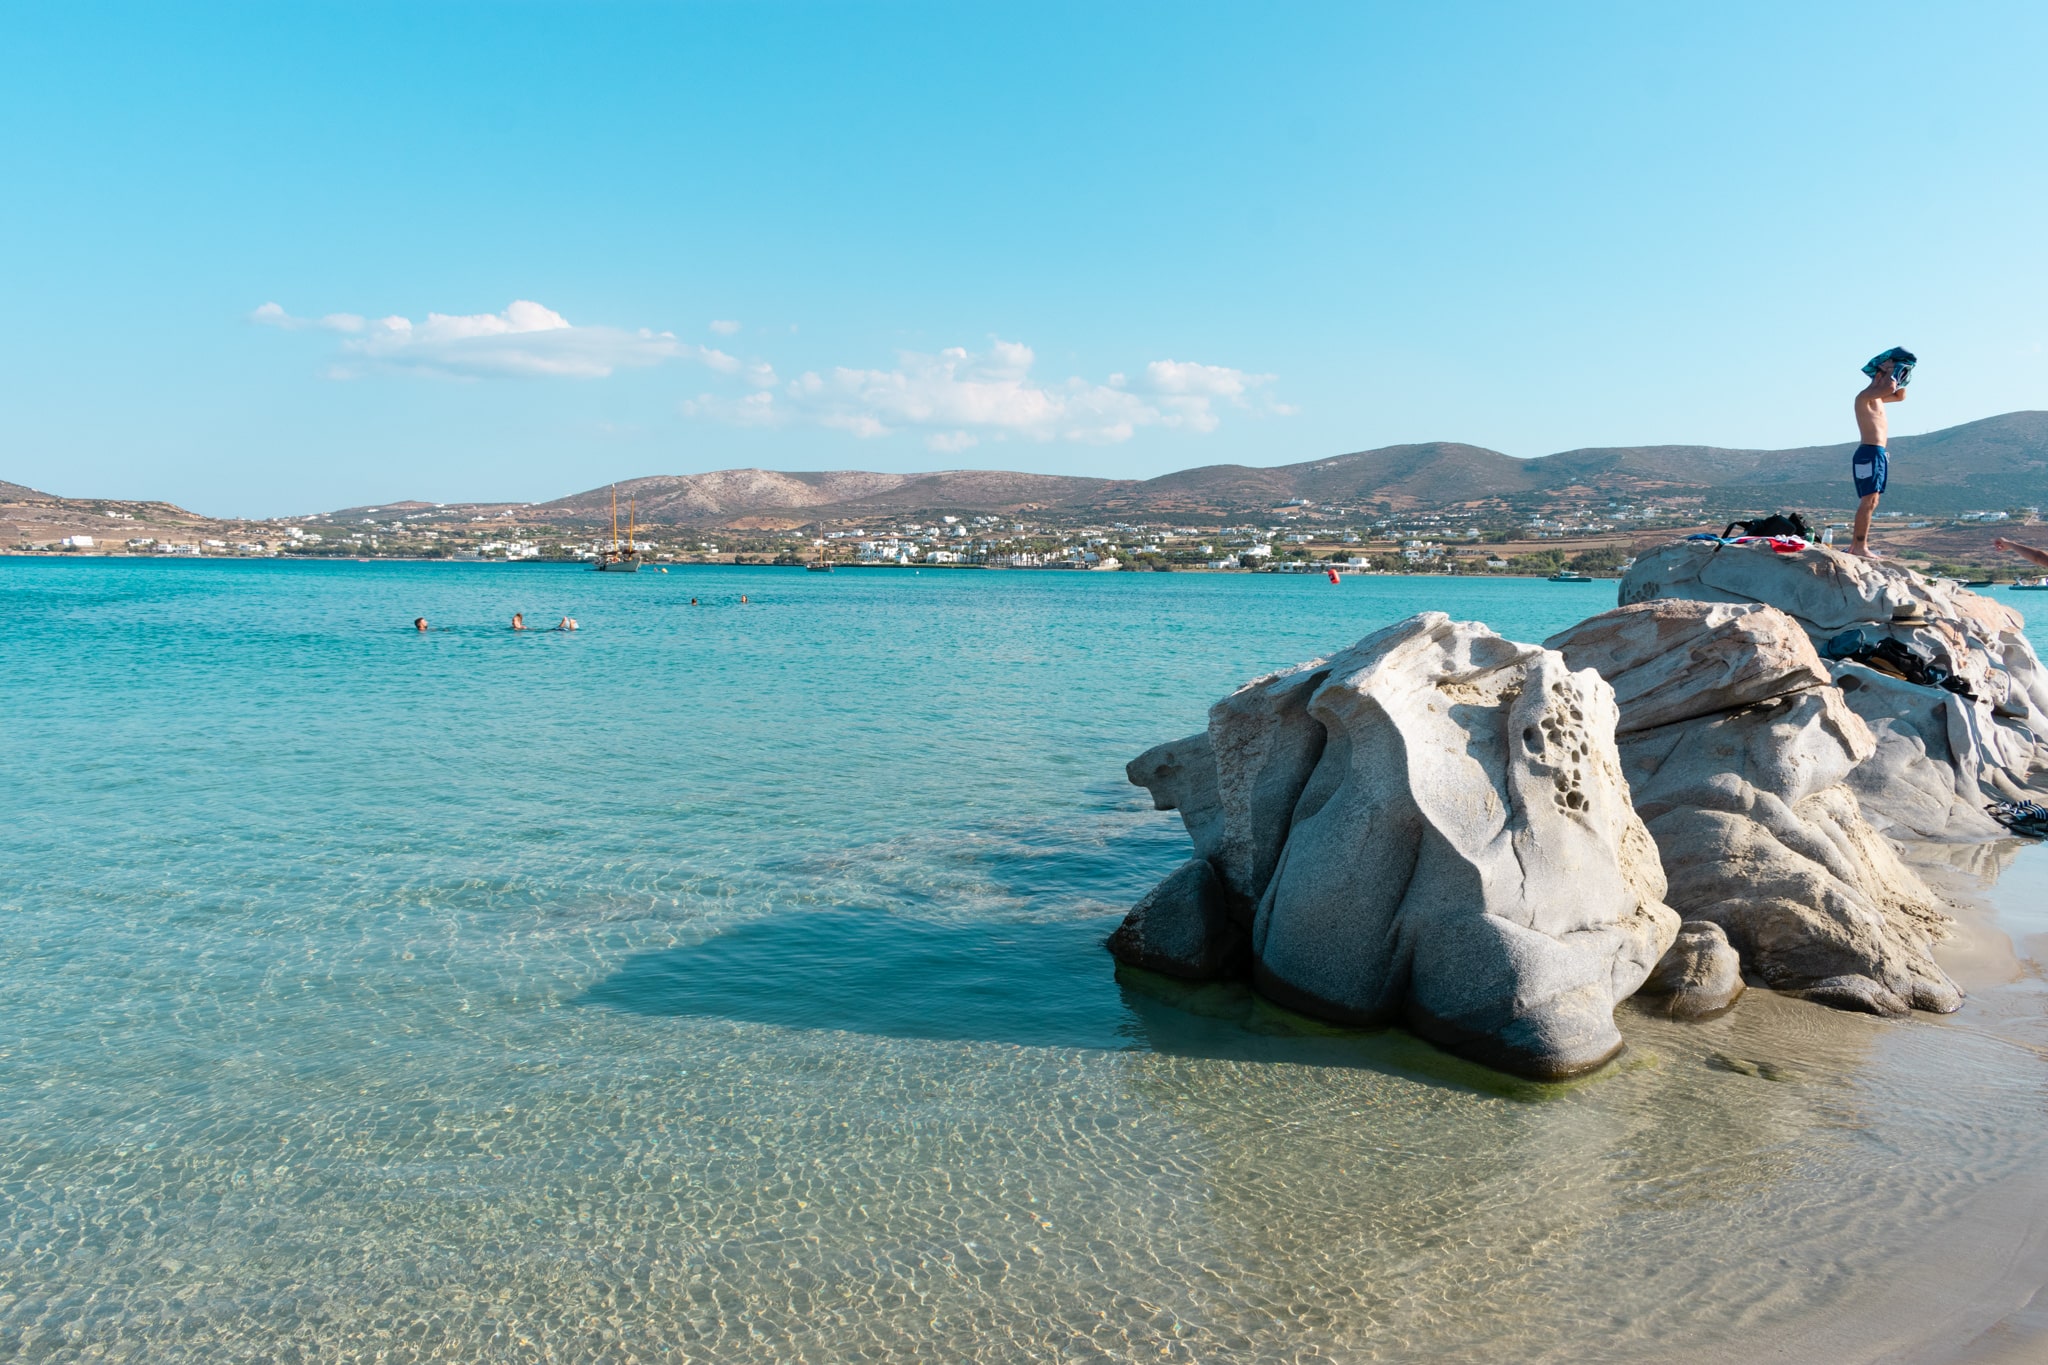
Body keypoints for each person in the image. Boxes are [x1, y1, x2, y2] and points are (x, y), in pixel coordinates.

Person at [1848, 347, 1916, 559]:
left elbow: (1900, 396)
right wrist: (1891, 372)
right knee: (1868, 500)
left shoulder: (1878, 399)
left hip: (1878, 453)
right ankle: (1858, 547)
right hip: (1868, 452)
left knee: (1873, 500)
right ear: (1881, 369)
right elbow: (1889, 387)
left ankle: (1860, 545)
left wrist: (1903, 373)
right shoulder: (1865, 396)